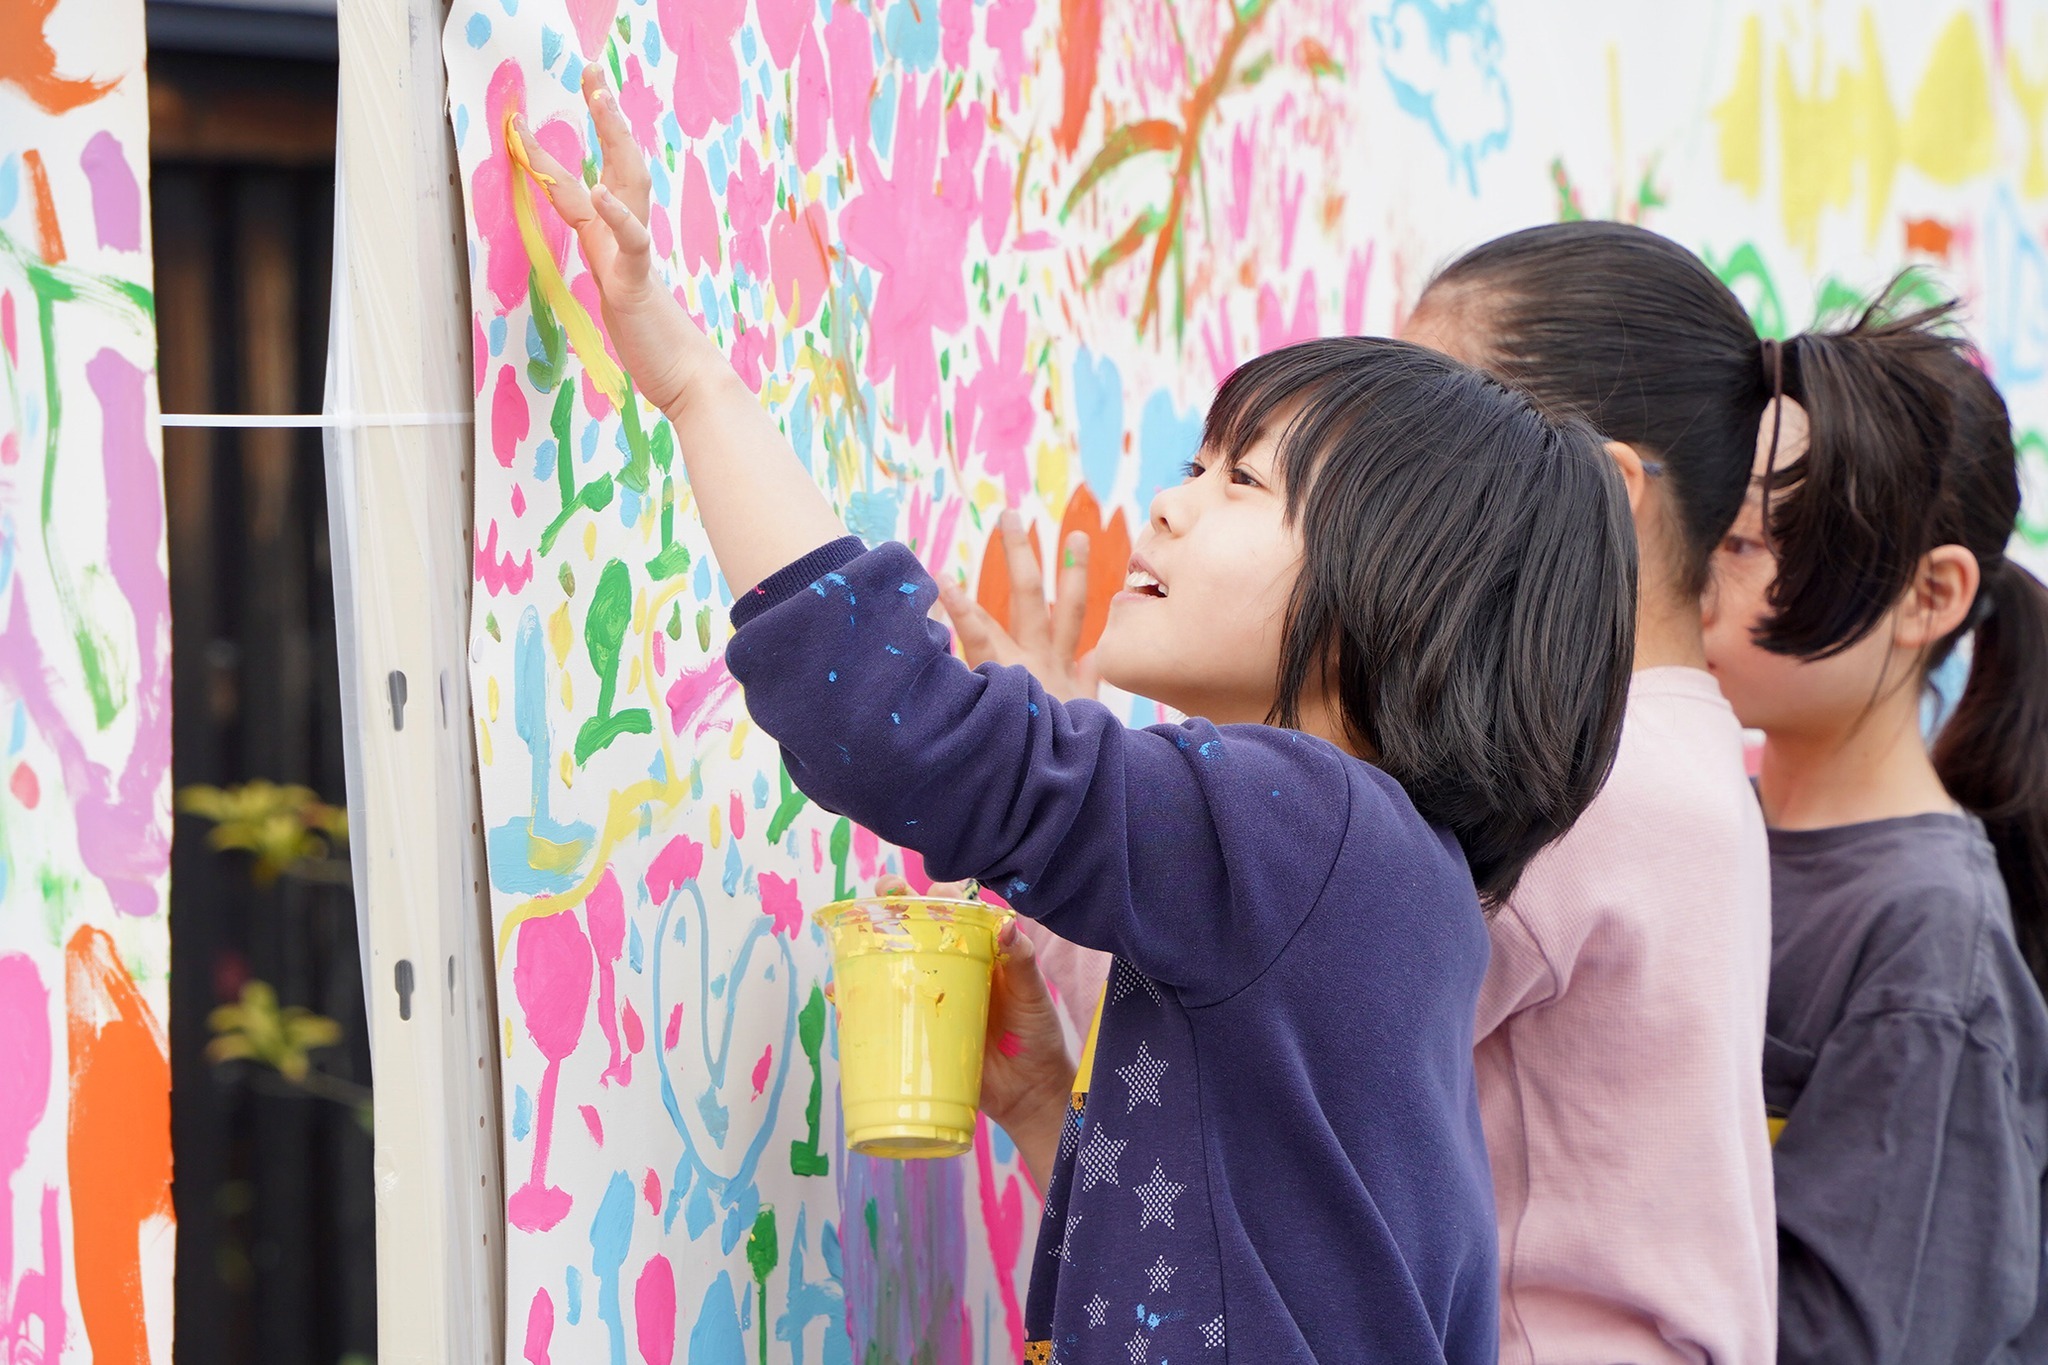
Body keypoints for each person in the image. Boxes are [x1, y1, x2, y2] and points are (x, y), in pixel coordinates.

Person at [526, 66, 1639, 1363]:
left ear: (1400, 593)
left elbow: (900, 725)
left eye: (1240, 481)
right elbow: (1274, 1266)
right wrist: (1060, 1110)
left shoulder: (1303, 817)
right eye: (1190, 466)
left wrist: (696, 389)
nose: (1168, 504)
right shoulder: (1407, 893)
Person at [1399, 221, 1785, 1363]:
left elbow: (1296, 1025)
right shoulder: (1682, 745)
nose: (1357, 496)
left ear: (1604, 495)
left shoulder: (1576, 785)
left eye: (1412, 448)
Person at [1701, 292, 2048, 1363]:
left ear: (1927, 595)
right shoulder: (1710, 829)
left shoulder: (1923, 930)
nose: (1692, 574)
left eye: (1747, 539)